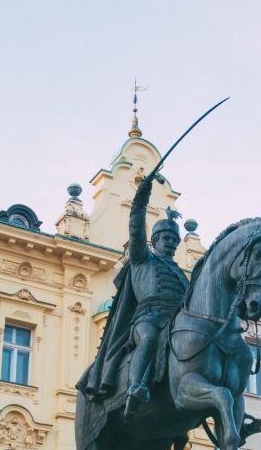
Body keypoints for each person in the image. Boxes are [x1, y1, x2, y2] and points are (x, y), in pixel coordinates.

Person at [80, 173, 188, 404]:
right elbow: (136, 225)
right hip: (147, 318)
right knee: (148, 339)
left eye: (173, 239)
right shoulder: (143, 259)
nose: (170, 242)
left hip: (175, 322)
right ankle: (135, 386)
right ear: (155, 240)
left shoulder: (181, 274)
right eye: (165, 237)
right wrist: (143, 192)